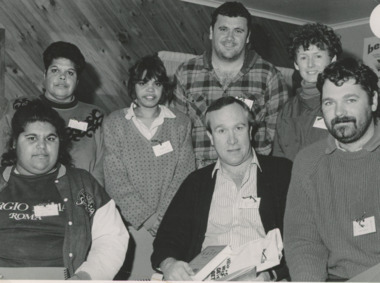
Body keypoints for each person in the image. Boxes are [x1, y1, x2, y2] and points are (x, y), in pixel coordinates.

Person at [152, 97, 292, 281]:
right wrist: (170, 264)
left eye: (238, 128)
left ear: (250, 131)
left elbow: (304, 238)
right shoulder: (196, 183)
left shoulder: (282, 174)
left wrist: (272, 274)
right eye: (221, 131)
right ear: (211, 137)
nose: (232, 140)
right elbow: (167, 238)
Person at [0, 100, 129, 280]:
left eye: (50, 138)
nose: (42, 146)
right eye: (32, 138)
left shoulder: (83, 183)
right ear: (14, 142)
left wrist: (87, 276)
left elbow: (112, 237)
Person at [284, 58, 380, 281]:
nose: (339, 112)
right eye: (329, 103)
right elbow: (303, 242)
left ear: (373, 100)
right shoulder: (308, 162)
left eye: (350, 100)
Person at [103, 54, 195, 280]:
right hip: (130, 226)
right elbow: (114, 178)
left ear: (165, 87)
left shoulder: (181, 122)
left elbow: (185, 174)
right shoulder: (114, 123)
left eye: (156, 83)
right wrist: (148, 218)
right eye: (143, 83)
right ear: (133, 87)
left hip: (172, 225)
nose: (150, 89)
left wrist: (164, 218)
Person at [172, 1, 288, 168]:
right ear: (212, 32)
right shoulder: (185, 72)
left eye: (238, 31)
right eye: (223, 29)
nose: (229, 38)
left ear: (248, 37)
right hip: (198, 174)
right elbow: (177, 133)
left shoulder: (269, 75)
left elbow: (277, 136)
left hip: (249, 173)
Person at [0, 41, 105, 185]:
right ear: (45, 75)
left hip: (77, 196)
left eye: (70, 72)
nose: (62, 77)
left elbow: (100, 170)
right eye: (55, 70)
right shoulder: (19, 107)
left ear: (78, 80)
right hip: (20, 192)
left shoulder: (95, 116)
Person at [272, 23, 342, 161]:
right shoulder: (288, 109)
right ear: (296, 64)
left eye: (318, 56)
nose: (310, 64)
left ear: (332, 60)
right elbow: (278, 158)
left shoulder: (341, 105)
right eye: (304, 57)